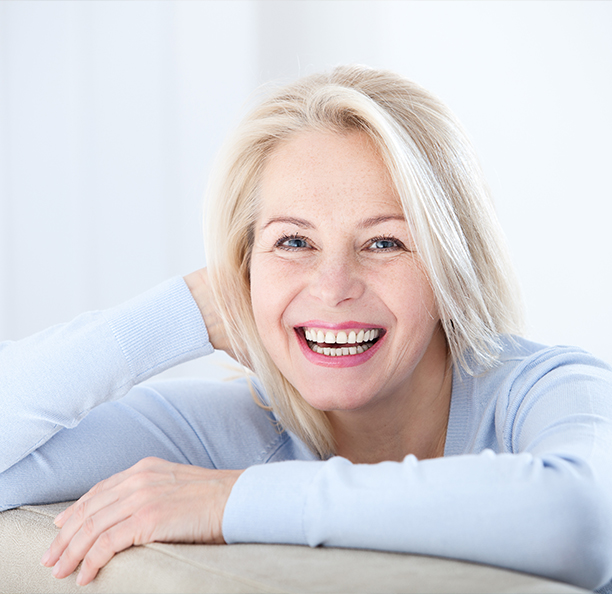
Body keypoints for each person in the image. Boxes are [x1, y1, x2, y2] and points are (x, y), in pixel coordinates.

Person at [1, 65, 611, 591]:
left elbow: (581, 519)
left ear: (452, 265)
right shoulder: (229, 431)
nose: (332, 285)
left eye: (384, 242)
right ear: (244, 267)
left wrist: (228, 501)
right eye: (293, 241)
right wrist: (182, 312)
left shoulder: (554, 387)